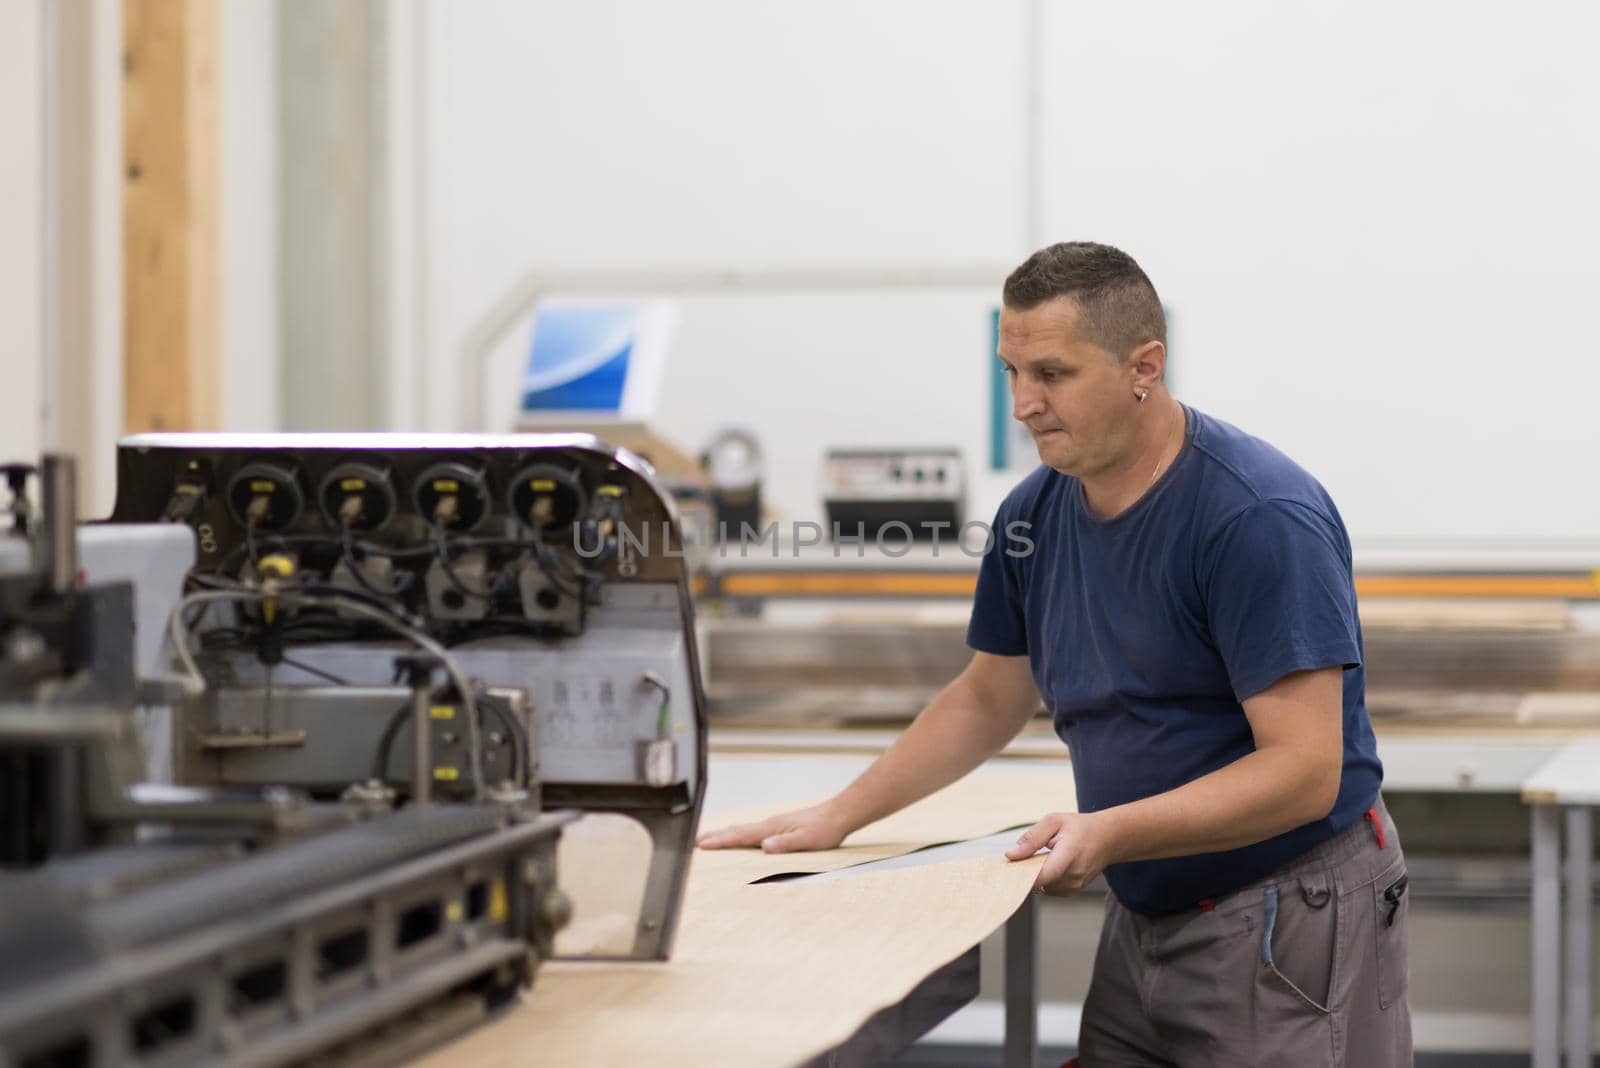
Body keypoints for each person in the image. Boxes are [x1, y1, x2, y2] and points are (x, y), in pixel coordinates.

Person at [698, 242, 1410, 1066]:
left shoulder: (1255, 518)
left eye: (1052, 374)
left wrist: (1106, 833)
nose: (1023, 404)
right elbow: (989, 696)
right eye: (1010, 372)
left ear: (1145, 364)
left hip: (1287, 911)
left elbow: (1303, 770)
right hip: (1146, 904)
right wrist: (841, 814)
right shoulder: (1034, 516)